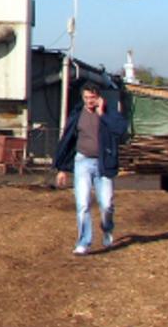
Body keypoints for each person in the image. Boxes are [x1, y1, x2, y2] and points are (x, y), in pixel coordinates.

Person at [53, 80, 128, 255]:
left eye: (92, 98)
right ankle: (84, 242)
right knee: (83, 203)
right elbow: (67, 142)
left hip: (103, 163)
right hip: (82, 162)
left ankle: (107, 228)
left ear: (99, 97)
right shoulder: (77, 114)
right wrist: (62, 168)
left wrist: (103, 114)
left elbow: (120, 130)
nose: (89, 101)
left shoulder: (109, 113)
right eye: (86, 98)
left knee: (107, 204)